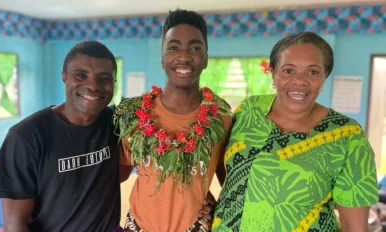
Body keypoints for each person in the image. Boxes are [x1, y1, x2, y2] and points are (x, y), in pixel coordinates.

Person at [213, 32, 378, 231]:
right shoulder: (249, 109)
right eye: (288, 70)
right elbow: (228, 170)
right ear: (273, 73)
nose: (299, 81)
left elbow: (354, 225)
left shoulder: (347, 135)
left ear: (324, 76)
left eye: (313, 72)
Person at [0, 41, 123, 232]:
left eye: (104, 78)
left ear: (113, 82)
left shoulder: (116, 123)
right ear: (64, 77)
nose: (93, 85)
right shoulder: (26, 137)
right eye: (81, 75)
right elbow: (15, 224)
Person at [115, 9, 232, 232]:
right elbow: (118, 174)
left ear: (206, 59)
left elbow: (227, 177)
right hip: (139, 226)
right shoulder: (135, 115)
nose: (184, 56)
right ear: (162, 58)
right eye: (173, 47)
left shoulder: (221, 118)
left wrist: (217, 205)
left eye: (195, 48)